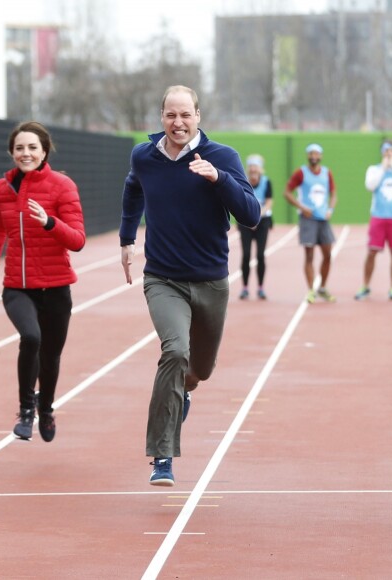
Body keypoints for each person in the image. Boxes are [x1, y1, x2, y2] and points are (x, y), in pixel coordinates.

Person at [119, 85, 260, 487]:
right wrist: (127, 239)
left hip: (211, 281)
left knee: (199, 370)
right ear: (160, 116)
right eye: (170, 115)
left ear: (198, 116)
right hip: (163, 277)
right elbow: (133, 189)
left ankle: (184, 394)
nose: (177, 123)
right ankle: (163, 455)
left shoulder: (222, 157)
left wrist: (219, 179)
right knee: (175, 351)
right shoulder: (144, 156)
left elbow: (250, 215)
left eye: (185, 115)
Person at [0, 121, 86, 443]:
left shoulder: (62, 186)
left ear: (44, 151)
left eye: (32, 147)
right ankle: (26, 409)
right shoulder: (2, 190)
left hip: (56, 287)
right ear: (11, 152)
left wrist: (49, 223)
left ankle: (46, 408)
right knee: (31, 337)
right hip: (17, 286)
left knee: (51, 356)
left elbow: (77, 240)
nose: (25, 153)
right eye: (19, 148)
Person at [355, 139, 392, 301]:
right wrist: (383, 168)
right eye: (386, 151)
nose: (389, 154)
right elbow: (370, 186)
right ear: (382, 152)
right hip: (378, 216)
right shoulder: (374, 169)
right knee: (372, 251)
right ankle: (365, 285)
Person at [283, 143, 337, 303]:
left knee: (328, 254)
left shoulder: (327, 173)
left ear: (321, 156)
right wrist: (301, 207)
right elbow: (286, 192)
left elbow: (334, 194)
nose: (314, 156)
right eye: (311, 154)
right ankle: (311, 290)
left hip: (323, 219)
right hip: (308, 219)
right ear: (308, 156)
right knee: (309, 256)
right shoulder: (301, 173)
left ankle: (322, 288)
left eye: (317, 154)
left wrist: (331, 209)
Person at [238, 154, 273, 300]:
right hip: (246, 222)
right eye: (251, 166)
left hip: (262, 221)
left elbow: (269, 202)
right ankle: (245, 287)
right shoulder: (243, 181)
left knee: (260, 255)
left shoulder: (266, 182)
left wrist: (257, 217)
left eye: (255, 166)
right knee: (246, 255)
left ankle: (261, 287)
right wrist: (249, 218)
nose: (253, 169)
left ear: (260, 169)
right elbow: (239, 201)